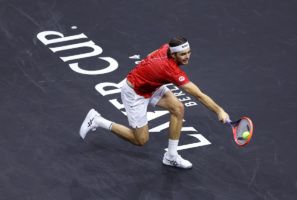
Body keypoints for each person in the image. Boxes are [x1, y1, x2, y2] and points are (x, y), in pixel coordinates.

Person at [79, 36, 229, 169]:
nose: (187, 56)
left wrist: (149, 73)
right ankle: (98, 121)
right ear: (173, 54)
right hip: (134, 93)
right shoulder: (171, 70)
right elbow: (198, 95)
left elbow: (150, 54)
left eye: (189, 52)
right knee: (140, 140)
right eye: (183, 54)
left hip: (151, 86)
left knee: (178, 108)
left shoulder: (166, 47)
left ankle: (171, 156)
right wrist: (219, 111)